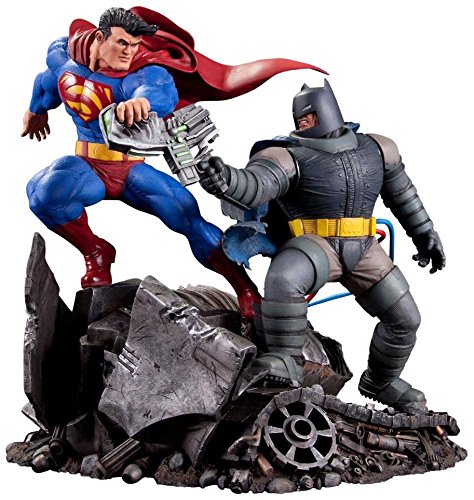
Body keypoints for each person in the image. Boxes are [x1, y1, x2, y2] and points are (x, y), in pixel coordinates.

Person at [22, 7, 324, 318]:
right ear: (100, 37)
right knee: (42, 194)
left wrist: (142, 102)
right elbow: (46, 85)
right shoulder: (65, 63)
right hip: (89, 166)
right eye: (122, 43)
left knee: (188, 218)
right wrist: (35, 111)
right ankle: (96, 252)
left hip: (129, 168)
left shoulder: (140, 74)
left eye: (135, 45)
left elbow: (158, 93)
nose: (129, 52)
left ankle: (246, 290)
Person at [199, 80, 446, 411]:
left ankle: (381, 380)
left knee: (405, 318)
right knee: (284, 279)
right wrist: (226, 180)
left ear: (328, 111)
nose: (302, 123)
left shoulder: (377, 148)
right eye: (299, 119)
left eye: (309, 116)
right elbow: (257, 184)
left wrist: (425, 232)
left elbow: (403, 195)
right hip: (315, 246)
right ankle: (285, 360)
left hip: (364, 249)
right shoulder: (287, 155)